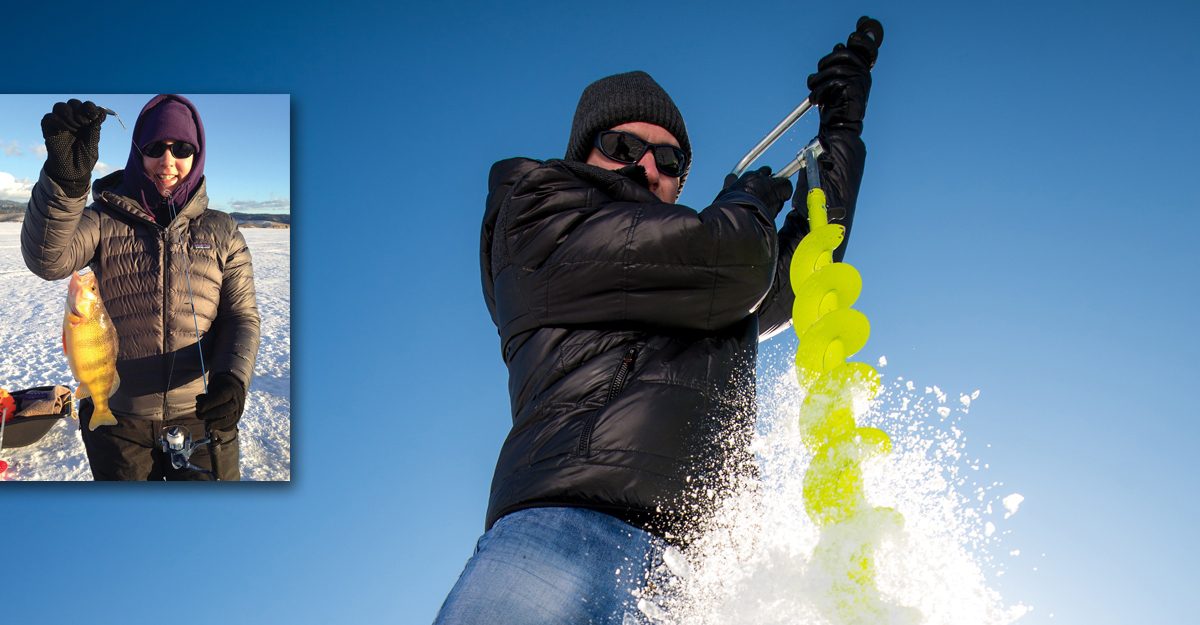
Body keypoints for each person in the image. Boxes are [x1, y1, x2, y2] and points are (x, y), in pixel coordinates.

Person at [437, 21, 880, 624]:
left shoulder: (702, 277)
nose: (646, 166)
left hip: (696, 579)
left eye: (668, 159)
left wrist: (840, 137)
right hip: (568, 535)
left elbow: (801, 272)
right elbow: (736, 259)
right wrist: (748, 198)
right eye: (623, 147)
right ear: (584, 153)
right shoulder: (538, 209)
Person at [21, 94, 260, 481]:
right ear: (137, 152)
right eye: (155, 148)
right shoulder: (102, 220)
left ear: (197, 154)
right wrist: (65, 182)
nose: (168, 161)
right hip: (118, 422)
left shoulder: (222, 230)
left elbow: (241, 317)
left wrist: (231, 379)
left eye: (182, 148)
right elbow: (47, 260)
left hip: (201, 417)